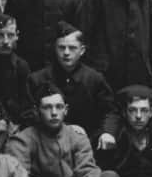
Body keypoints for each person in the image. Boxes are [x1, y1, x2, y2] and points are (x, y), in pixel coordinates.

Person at [26, 22, 116, 151]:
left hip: (87, 143)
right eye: (61, 48)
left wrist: (108, 132)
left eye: (72, 48)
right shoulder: (37, 79)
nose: (66, 53)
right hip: (47, 144)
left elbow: (110, 111)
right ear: (55, 49)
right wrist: (65, 128)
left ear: (82, 50)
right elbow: (29, 114)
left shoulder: (94, 79)